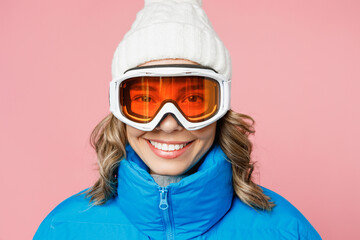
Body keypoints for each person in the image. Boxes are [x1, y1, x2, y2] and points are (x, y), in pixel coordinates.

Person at [34, 0, 322, 239]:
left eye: (193, 100)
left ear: (221, 108)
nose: (169, 123)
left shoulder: (287, 231)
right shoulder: (63, 229)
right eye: (146, 100)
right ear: (119, 109)